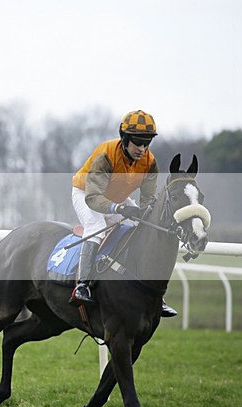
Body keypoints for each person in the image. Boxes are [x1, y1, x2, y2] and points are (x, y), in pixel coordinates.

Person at [70, 109, 178, 317]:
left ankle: (157, 296)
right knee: (98, 226)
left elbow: (147, 201)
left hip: (116, 199)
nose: (142, 148)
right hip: (86, 193)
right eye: (138, 142)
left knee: (142, 226)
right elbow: (93, 198)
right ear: (125, 138)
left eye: (147, 142)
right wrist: (119, 209)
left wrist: (144, 213)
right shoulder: (106, 155)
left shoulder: (149, 162)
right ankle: (82, 285)